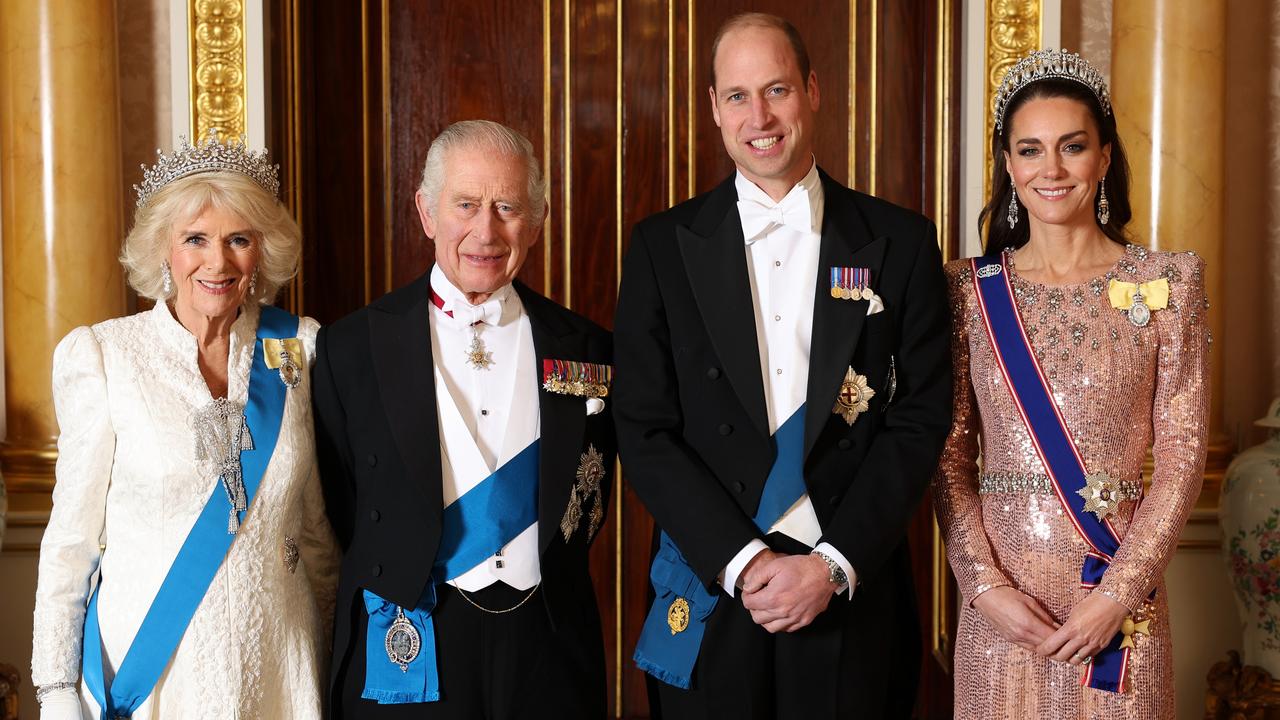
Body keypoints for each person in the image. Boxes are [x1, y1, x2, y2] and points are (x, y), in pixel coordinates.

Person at [614, 13, 952, 719]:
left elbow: (919, 422)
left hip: (849, 590)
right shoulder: (660, 247)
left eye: (777, 90)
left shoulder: (901, 241)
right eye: (737, 96)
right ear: (713, 107)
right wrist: (747, 563)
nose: (759, 116)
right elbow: (643, 427)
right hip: (712, 586)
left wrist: (831, 564)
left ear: (813, 90)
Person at [933, 48, 1208, 718]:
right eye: (1030, 150)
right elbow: (948, 457)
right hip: (1004, 612)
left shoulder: (1168, 282)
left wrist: (1120, 592)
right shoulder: (968, 291)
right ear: (1007, 165)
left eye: (1072, 146)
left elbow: (1181, 457)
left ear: (1105, 156)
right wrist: (982, 584)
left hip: (1117, 604)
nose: (1050, 169)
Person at [30, 132, 339, 719]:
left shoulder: (300, 349)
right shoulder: (105, 357)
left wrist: (337, 659)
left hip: (280, 663)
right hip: (154, 673)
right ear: (164, 251)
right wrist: (55, 689)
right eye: (194, 239)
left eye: (238, 240)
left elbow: (316, 527)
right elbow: (70, 542)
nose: (217, 262)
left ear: (262, 250)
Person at [314, 120, 614, 719]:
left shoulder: (590, 348)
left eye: (507, 207)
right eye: (466, 205)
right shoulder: (352, 348)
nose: (486, 231)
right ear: (426, 212)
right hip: (410, 633)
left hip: (547, 647)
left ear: (538, 218)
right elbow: (341, 506)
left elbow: (588, 495)